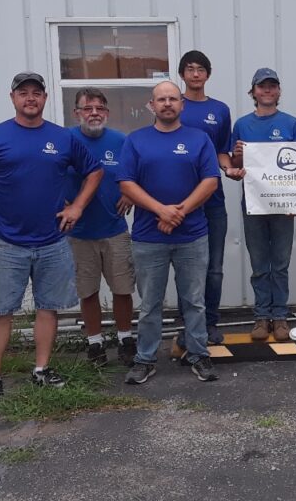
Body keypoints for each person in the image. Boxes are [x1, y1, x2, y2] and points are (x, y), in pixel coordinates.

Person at [0, 72, 104, 406]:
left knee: (48, 307)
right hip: (8, 241)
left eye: (37, 93)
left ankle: (41, 369)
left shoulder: (62, 138)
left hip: (53, 241)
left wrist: (78, 208)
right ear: (12, 97)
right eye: (23, 93)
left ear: (45, 98)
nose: (31, 98)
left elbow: (95, 171)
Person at [118, 80, 220, 384]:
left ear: (182, 105)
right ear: (152, 105)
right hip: (149, 238)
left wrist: (179, 211)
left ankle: (198, 354)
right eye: (161, 99)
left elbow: (211, 181)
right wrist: (161, 211)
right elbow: (126, 183)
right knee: (150, 304)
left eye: (172, 99)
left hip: (192, 236)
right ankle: (145, 359)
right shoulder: (136, 141)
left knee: (194, 300)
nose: (167, 104)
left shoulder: (199, 139)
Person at [230, 68, 296, 342]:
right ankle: (262, 317)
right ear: (254, 92)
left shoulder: (292, 124)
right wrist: (236, 158)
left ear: (279, 91)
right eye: (262, 86)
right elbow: (235, 167)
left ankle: (280, 316)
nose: (268, 91)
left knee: (280, 264)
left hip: (284, 206)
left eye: (273, 86)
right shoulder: (242, 124)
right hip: (254, 204)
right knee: (260, 264)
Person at [66, 88, 137, 366]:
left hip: (115, 229)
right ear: (77, 113)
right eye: (87, 108)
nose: (94, 113)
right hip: (79, 233)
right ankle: (94, 343)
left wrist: (131, 193)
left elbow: (136, 171)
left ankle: (125, 338)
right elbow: (50, 174)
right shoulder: (66, 140)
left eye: (99, 108)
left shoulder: (121, 141)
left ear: (107, 113)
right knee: (88, 291)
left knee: (122, 289)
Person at [178, 50, 233, 345]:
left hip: (212, 199)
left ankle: (210, 323)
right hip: (180, 200)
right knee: (187, 266)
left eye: (201, 69)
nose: (195, 74)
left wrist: (229, 168)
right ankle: (188, 324)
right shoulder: (175, 107)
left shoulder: (220, 110)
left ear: (208, 74)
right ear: (182, 74)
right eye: (190, 69)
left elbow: (222, 150)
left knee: (214, 267)